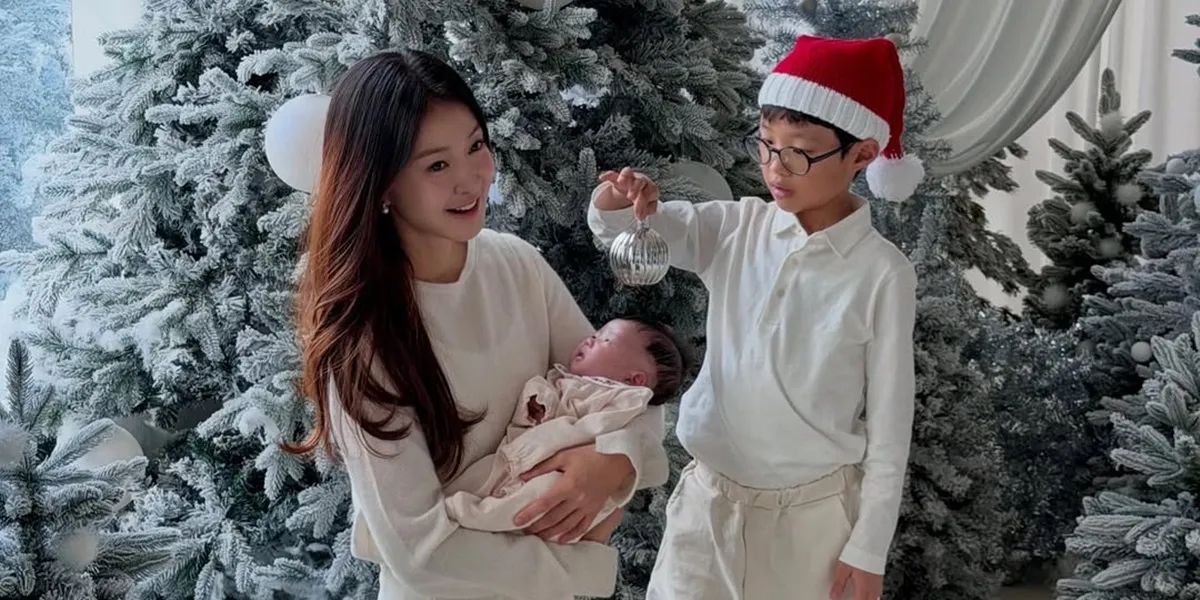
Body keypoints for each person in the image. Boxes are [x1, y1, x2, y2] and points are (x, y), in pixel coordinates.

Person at [285, 50, 669, 600]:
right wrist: (584, 565)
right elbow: (420, 553)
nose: (472, 180)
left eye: (476, 147)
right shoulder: (363, 337)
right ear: (381, 185)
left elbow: (630, 388)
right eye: (436, 165)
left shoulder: (515, 262)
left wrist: (616, 462)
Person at [586, 35, 921, 600]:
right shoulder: (737, 228)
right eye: (765, 145)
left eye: (799, 151)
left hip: (811, 528)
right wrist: (623, 203)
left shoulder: (882, 275)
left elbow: (890, 427)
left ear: (862, 155)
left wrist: (868, 546)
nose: (775, 167)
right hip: (706, 508)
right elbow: (634, 231)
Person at [444, 317, 691, 542]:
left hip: (568, 479)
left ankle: (479, 516)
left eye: (605, 339)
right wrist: (537, 405)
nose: (590, 339)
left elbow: (608, 431)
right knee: (486, 474)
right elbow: (551, 400)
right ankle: (457, 502)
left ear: (634, 380)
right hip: (525, 458)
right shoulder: (569, 380)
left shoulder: (623, 400)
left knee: (543, 494)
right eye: (595, 334)